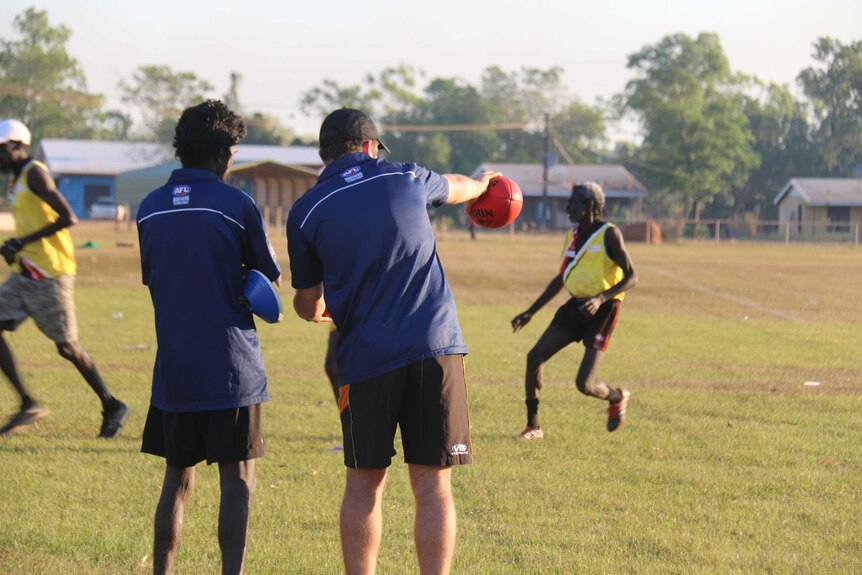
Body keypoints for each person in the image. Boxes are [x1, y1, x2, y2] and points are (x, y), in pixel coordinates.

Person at [287, 108, 500, 575]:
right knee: (433, 485)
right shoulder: (406, 176)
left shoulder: (306, 210)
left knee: (364, 484)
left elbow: (306, 302)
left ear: (325, 156)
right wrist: (485, 184)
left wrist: (319, 311)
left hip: (365, 359)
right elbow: (458, 185)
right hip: (435, 346)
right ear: (369, 147)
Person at [137, 100, 281, 575]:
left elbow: (157, 278)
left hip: (175, 369)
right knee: (236, 479)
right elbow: (266, 280)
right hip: (231, 369)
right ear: (224, 151)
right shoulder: (236, 204)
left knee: (176, 478)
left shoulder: (149, 208)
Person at [0, 118, 129, 438]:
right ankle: (28, 403)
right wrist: (15, 247)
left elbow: (68, 217)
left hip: (51, 273)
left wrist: (22, 242)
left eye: (1, 149)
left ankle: (112, 404)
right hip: (25, 271)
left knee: (67, 348)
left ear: (18, 145)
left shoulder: (35, 173)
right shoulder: (16, 180)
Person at [511, 182, 638, 440]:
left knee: (585, 384)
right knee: (534, 357)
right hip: (575, 307)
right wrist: (531, 311)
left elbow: (632, 276)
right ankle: (533, 426)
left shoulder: (609, 234)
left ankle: (617, 396)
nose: (568, 207)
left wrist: (601, 298)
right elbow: (561, 279)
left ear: (589, 206)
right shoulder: (573, 236)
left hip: (603, 310)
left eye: (573, 203)